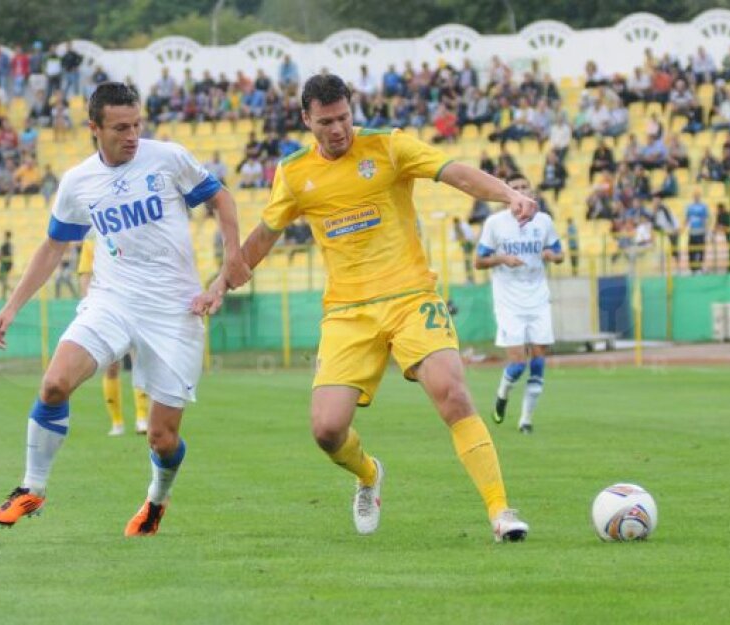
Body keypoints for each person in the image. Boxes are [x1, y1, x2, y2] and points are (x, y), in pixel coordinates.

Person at [194, 74, 534, 543]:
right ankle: (369, 474)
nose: (338, 130)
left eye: (344, 118)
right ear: (306, 120)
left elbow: (454, 171)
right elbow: (262, 238)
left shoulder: (388, 147)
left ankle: (500, 511)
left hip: (412, 298)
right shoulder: (294, 173)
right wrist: (220, 283)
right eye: (326, 122)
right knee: (327, 430)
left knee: (452, 393)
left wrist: (509, 194)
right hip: (348, 312)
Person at [0, 82, 250, 536]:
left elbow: (220, 197)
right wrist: (12, 305)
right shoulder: (78, 182)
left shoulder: (167, 158)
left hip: (174, 311)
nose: (132, 135)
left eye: (137, 125)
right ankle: (31, 487)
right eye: (121, 128)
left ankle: (156, 501)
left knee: (162, 438)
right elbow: (53, 246)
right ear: (94, 128)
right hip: (112, 301)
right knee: (53, 385)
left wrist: (231, 259)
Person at [475, 173, 564, 435]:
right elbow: (479, 261)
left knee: (538, 362)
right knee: (517, 363)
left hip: (538, 299)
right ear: (507, 194)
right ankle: (503, 394)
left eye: (525, 187)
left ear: (532, 191)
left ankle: (526, 420)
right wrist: (502, 259)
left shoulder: (544, 221)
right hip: (508, 301)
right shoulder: (495, 224)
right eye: (515, 188)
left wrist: (552, 255)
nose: (521, 191)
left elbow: (559, 253)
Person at [77, 233, 150, 436]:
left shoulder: (132, 233)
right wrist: (88, 306)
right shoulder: (92, 238)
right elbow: (85, 274)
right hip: (107, 309)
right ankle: (117, 422)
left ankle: (142, 418)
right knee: (111, 366)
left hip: (134, 305)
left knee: (139, 361)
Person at [685, 190, 709, 274]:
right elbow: (687, 218)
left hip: (700, 231)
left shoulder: (703, 206)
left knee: (700, 249)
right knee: (691, 250)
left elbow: (705, 219)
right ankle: (692, 268)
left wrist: (706, 230)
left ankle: (700, 266)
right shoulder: (689, 206)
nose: (696, 197)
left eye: (697, 196)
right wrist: (684, 227)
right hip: (692, 231)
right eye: (695, 196)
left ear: (700, 197)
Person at [0, 230, 14, 299]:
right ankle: (3, 295)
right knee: (4, 279)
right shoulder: (10, 245)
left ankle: (12, 290)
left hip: (4, 263)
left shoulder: (4, 245)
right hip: (9, 263)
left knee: (1, 279)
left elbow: (1, 255)